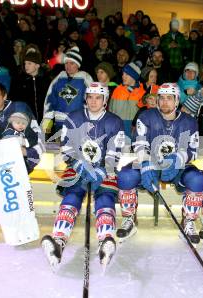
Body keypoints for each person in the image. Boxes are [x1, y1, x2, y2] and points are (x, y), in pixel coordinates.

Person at [41, 82, 125, 270]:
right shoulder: (74, 117)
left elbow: (115, 150)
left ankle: (106, 239)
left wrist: (103, 169)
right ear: (85, 98)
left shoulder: (115, 121)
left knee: (105, 195)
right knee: (73, 194)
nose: (93, 101)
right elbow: (67, 146)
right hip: (77, 166)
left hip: (104, 168)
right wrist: (78, 164)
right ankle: (59, 240)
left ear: (105, 100)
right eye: (90, 97)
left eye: (98, 97)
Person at [117, 83, 201, 243]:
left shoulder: (189, 121)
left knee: (197, 178)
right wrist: (146, 161)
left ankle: (188, 221)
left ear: (177, 101)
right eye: (161, 98)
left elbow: (193, 149)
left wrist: (178, 159)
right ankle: (129, 219)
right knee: (126, 175)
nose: (164, 102)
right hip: (151, 162)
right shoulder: (146, 116)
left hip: (178, 165)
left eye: (169, 98)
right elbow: (140, 144)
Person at [42, 46, 93, 136]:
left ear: (78, 65)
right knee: (52, 149)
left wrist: (88, 121)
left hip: (77, 125)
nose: (68, 66)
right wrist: (47, 121)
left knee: (73, 149)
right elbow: (49, 100)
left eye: (72, 63)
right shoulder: (59, 78)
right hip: (57, 124)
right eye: (66, 63)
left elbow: (92, 101)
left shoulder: (85, 78)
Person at [108, 62, 145, 138]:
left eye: (126, 74)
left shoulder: (142, 93)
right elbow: (110, 110)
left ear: (134, 76)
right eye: (123, 74)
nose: (123, 76)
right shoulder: (117, 90)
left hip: (134, 131)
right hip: (118, 129)